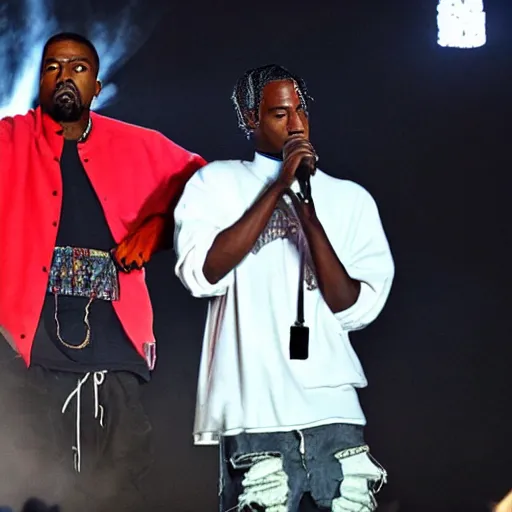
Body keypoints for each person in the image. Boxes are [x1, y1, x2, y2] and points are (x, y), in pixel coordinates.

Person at [174, 64, 395, 511]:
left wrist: (306, 209)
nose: (296, 125)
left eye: (301, 112)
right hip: (254, 414)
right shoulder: (214, 184)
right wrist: (277, 187)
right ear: (250, 118)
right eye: (279, 114)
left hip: (335, 416)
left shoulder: (351, 198)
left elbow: (353, 307)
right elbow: (203, 274)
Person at [0, 32, 205, 511]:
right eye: (53, 66)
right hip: (25, 355)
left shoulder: (138, 145)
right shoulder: (9, 143)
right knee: (30, 487)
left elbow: (209, 187)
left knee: (117, 492)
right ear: (40, 80)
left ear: (95, 84)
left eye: (78, 67)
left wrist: (158, 227)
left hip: (115, 354)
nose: (65, 75)